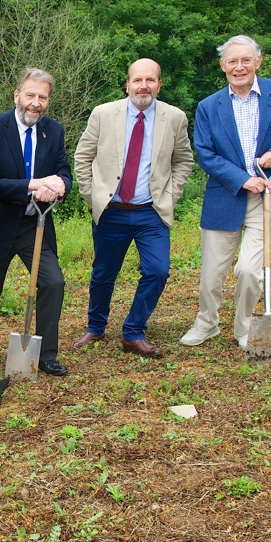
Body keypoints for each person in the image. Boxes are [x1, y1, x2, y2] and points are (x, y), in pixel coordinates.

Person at [180, 35, 271, 349]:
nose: (238, 67)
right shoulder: (208, 107)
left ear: (258, 61)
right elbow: (206, 153)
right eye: (232, 61)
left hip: (268, 195)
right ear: (222, 65)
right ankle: (207, 324)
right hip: (226, 194)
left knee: (250, 271)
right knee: (212, 274)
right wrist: (243, 179)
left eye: (245, 60)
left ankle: (245, 328)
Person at [72, 58, 195, 358]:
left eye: (150, 80)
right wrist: (92, 196)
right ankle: (95, 327)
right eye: (137, 80)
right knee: (103, 273)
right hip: (111, 210)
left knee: (158, 270)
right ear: (127, 84)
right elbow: (82, 157)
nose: (143, 86)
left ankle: (133, 332)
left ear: (159, 84)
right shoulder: (103, 114)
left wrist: (170, 195)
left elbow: (184, 161)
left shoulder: (174, 118)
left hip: (151, 212)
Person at [0, 68, 72, 376]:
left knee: (53, 282)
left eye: (42, 97)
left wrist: (60, 185)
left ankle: (45, 354)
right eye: (30, 95)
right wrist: (32, 184)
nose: (35, 103)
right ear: (17, 95)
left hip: (34, 225)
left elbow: (63, 171)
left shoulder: (53, 131)